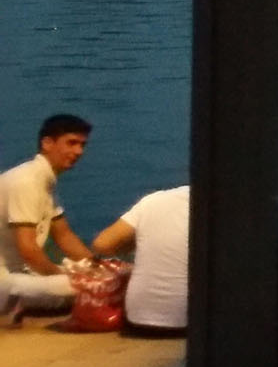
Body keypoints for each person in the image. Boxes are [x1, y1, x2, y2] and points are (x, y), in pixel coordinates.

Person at [2, 114, 95, 320]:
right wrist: (62, 276)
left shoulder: (44, 181)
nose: (78, 151)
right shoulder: (26, 182)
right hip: (6, 278)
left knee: (93, 277)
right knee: (74, 286)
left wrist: (97, 267)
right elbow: (28, 250)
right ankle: (16, 304)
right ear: (47, 143)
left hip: (18, 273)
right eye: (71, 143)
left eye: (82, 145)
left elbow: (64, 236)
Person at [88, 185, 190, 336]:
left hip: (139, 321)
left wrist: (141, 241)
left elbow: (102, 245)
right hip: (193, 324)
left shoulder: (153, 201)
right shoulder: (220, 206)